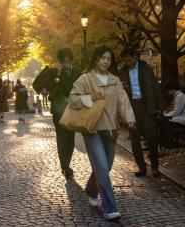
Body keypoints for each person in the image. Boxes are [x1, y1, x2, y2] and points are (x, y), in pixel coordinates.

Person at [68, 45, 136, 221]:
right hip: (92, 129)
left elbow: (123, 101)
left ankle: (91, 190)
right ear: (96, 58)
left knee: (106, 166)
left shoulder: (114, 80)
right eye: (102, 58)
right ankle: (111, 208)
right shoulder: (85, 79)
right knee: (102, 167)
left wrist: (129, 118)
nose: (105, 61)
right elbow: (73, 99)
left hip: (111, 129)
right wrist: (89, 98)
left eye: (108, 59)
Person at [33, 48, 81, 179]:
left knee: (70, 138)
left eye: (68, 60)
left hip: (73, 109)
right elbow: (36, 83)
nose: (66, 63)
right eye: (63, 61)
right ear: (61, 60)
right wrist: (48, 73)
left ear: (71, 59)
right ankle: (65, 166)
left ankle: (67, 164)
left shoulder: (77, 71)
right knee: (62, 138)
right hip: (59, 108)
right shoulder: (54, 71)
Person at [119, 47, 163, 178]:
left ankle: (155, 168)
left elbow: (155, 87)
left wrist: (159, 108)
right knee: (134, 140)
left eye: (129, 60)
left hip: (147, 107)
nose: (128, 63)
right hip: (131, 108)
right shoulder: (122, 72)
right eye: (125, 61)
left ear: (135, 56)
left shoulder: (146, 67)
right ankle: (142, 168)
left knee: (152, 137)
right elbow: (120, 93)